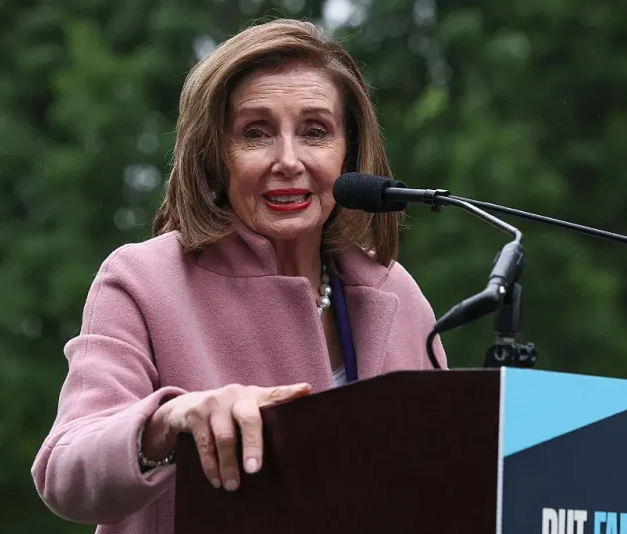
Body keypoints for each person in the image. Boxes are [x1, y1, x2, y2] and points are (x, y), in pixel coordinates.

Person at [31, 18, 447, 533]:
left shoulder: (399, 295)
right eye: (256, 133)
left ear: (349, 153)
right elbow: (66, 472)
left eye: (315, 131)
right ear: (215, 153)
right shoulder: (142, 280)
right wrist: (169, 423)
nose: (289, 161)